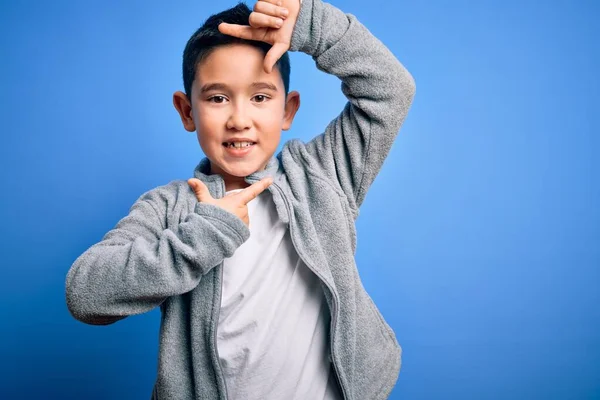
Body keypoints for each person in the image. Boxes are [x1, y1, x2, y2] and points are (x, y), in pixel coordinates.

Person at [65, 0, 415, 398]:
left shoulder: (322, 174)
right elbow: (85, 293)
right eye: (217, 98)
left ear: (289, 109)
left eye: (261, 97)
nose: (239, 118)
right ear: (186, 111)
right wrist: (202, 237)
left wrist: (314, 27)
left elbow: (390, 90)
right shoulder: (170, 208)